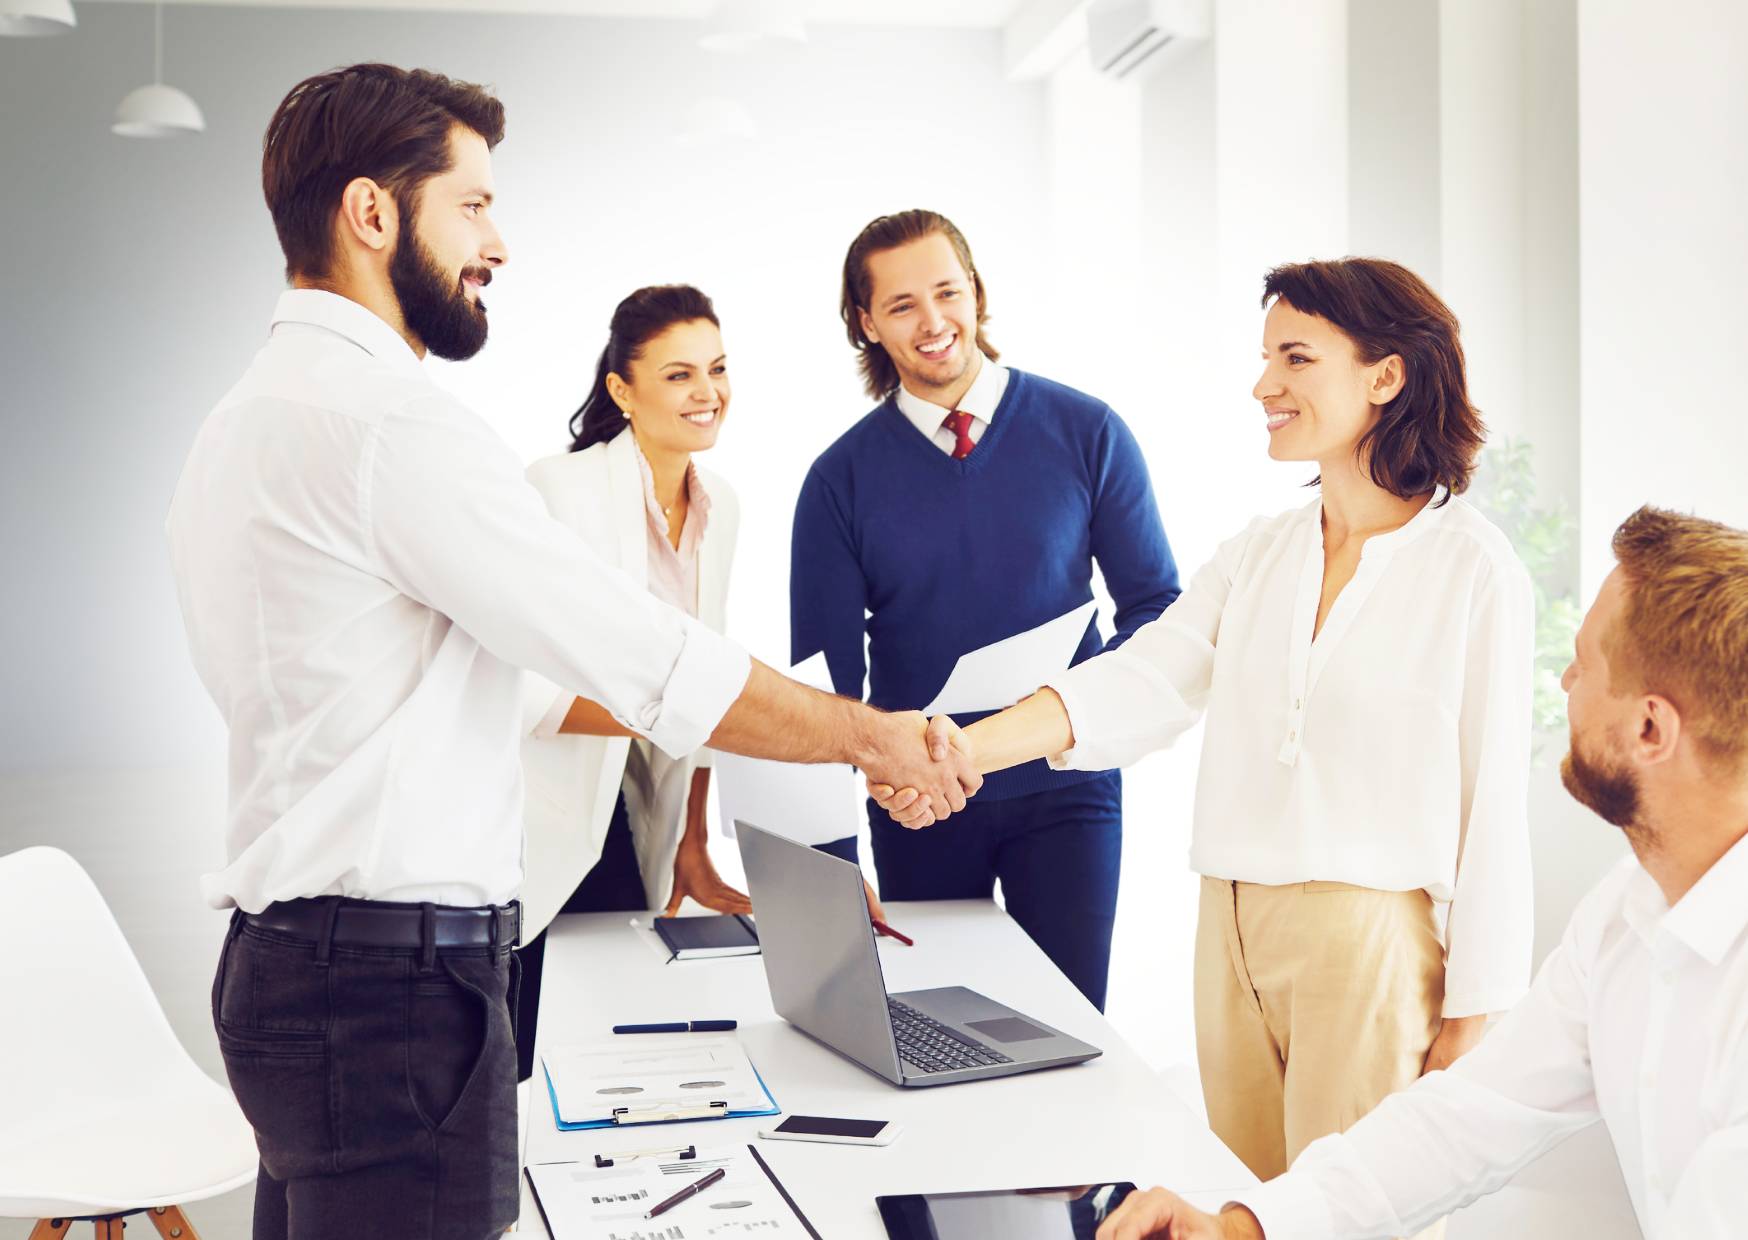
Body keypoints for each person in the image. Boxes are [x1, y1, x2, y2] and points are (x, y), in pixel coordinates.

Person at [165, 65, 977, 1240]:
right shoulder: (392, 429)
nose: (498, 240)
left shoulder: (242, 418)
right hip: (390, 994)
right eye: (474, 205)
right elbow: (643, 659)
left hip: (287, 966)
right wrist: (873, 738)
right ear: (372, 214)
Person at [877, 259, 1536, 1234]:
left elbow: (1493, 806)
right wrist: (963, 750)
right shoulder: (1263, 549)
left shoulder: (1469, 564)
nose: (1262, 384)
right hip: (1227, 927)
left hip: (1365, 942)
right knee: (1243, 1211)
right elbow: (1140, 677)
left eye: (1293, 358)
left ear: (1384, 376)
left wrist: (1472, 1013)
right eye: (1263, 357)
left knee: (1343, 1217)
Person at [1092, 506, 1748, 1240]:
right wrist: (1241, 1226)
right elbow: (1459, 1126)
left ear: (1650, 729)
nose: (1564, 680)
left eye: (1586, 664)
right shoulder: (1623, 919)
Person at [791, 208, 1181, 1012]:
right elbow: (823, 691)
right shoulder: (839, 482)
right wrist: (830, 862)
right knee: (940, 1030)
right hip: (920, 805)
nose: (934, 322)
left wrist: (1083, 717)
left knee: (1070, 1033)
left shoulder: (1088, 432)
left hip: (1067, 791)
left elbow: (1156, 615)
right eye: (902, 306)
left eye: (948, 292)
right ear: (866, 324)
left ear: (977, 294)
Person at [512, 283, 752, 1082]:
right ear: (622, 388)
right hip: (555, 804)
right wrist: (671, 715)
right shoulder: (560, 488)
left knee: (614, 1035)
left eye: (717, 369)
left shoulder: (724, 508)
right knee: (550, 1036)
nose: (708, 392)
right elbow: (527, 685)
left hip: (643, 805)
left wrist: (693, 842)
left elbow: (703, 670)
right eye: (680, 375)